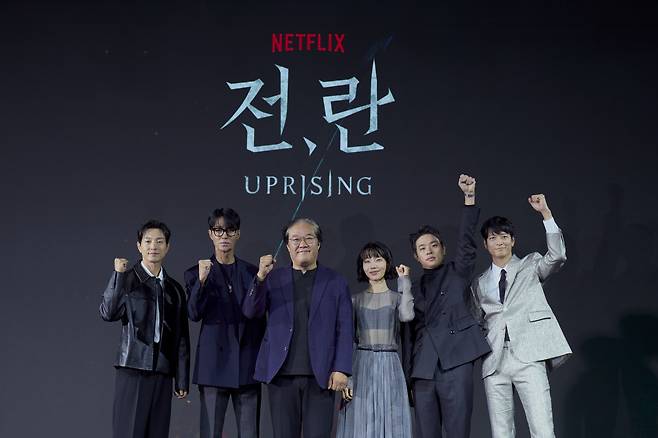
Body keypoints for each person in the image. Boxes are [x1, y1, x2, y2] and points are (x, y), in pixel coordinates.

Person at [242, 218, 353, 438]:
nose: (302, 243)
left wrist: (342, 368)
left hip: (321, 377)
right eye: (295, 239)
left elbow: (345, 327)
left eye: (309, 238)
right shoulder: (273, 279)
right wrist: (260, 277)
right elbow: (250, 312)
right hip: (281, 376)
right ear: (288, 246)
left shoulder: (336, 281)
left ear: (318, 243)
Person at [471, 194, 571, 438]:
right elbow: (478, 321)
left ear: (513, 241)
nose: (499, 242)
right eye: (493, 238)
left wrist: (545, 213)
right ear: (486, 244)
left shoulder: (531, 265)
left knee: (543, 430)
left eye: (504, 237)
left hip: (529, 355)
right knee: (501, 432)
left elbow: (557, 257)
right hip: (494, 361)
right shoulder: (479, 283)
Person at [402, 174, 491, 438]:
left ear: (443, 248)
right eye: (422, 248)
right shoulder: (411, 288)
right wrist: (408, 376)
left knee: (457, 432)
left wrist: (469, 198)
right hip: (423, 370)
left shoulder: (457, 272)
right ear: (416, 256)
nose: (429, 250)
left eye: (433, 245)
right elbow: (407, 335)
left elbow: (466, 243)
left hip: (456, 362)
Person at [99, 220, 190, 438]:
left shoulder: (174, 289)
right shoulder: (127, 279)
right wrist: (117, 276)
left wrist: (182, 378)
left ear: (167, 247)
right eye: (148, 241)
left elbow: (182, 337)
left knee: (157, 433)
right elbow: (108, 313)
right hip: (133, 368)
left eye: (159, 241)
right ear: (139, 245)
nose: (153, 246)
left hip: (162, 372)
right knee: (129, 432)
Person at [185, 208, 266, 438]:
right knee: (210, 433)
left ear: (238, 234)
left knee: (250, 434)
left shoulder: (254, 273)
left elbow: (260, 316)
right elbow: (193, 313)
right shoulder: (195, 273)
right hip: (213, 367)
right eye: (218, 230)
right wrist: (201, 282)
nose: (224, 236)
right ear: (210, 234)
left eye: (229, 230)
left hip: (247, 364)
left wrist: (260, 280)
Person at [336, 241, 414, 438]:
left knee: (392, 420)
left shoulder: (397, 298)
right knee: (361, 422)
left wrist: (404, 281)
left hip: (390, 365)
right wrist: (348, 378)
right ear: (361, 267)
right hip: (361, 365)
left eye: (378, 259)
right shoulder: (355, 300)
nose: (373, 265)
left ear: (387, 263)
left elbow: (406, 316)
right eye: (367, 261)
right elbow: (349, 341)